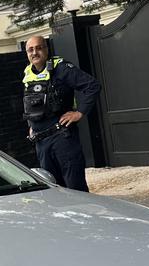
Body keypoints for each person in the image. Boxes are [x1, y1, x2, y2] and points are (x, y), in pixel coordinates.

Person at [22, 35, 101, 191]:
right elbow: (30, 103)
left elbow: (92, 86)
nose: (35, 53)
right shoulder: (27, 73)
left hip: (63, 139)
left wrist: (79, 112)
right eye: (30, 49)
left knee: (75, 190)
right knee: (54, 191)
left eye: (39, 48)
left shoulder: (61, 68)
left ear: (46, 49)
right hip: (41, 142)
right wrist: (31, 125)